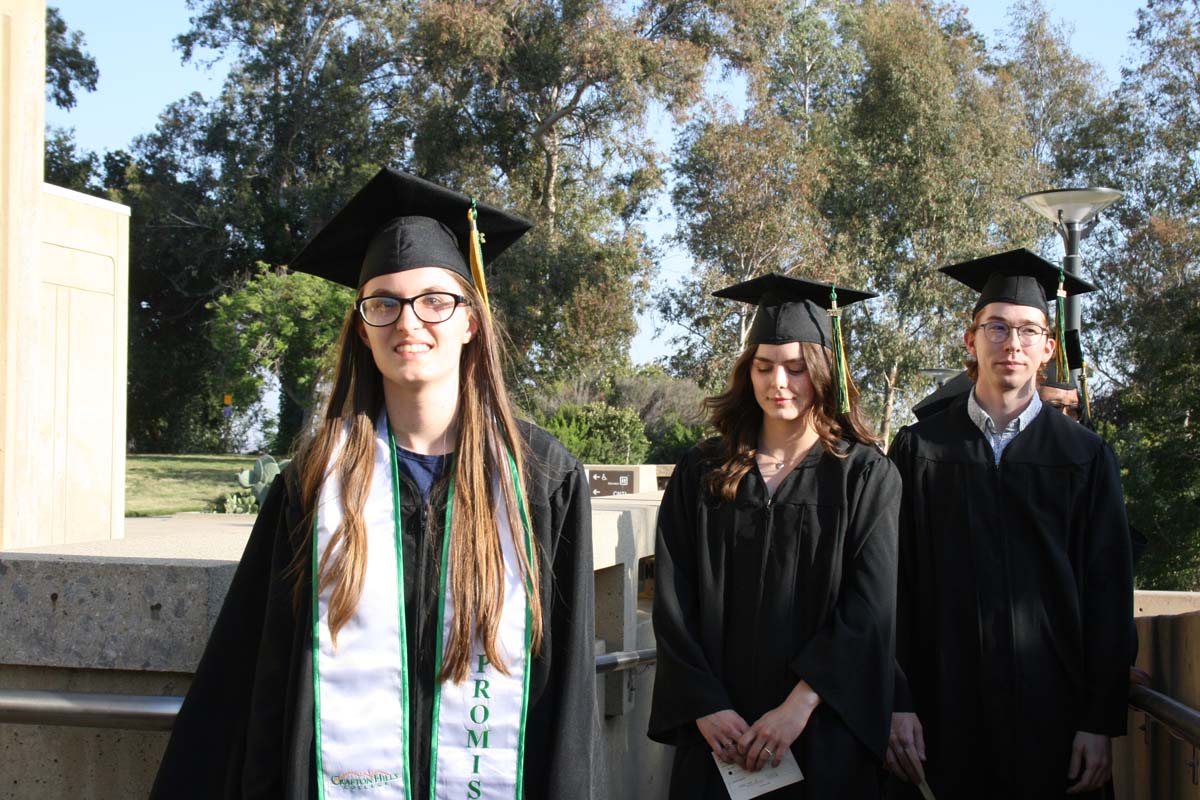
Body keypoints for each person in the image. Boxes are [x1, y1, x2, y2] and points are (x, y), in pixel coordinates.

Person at [150, 168, 598, 800]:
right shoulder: (316, 481)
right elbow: (257, 672)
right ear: (362, 327)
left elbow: (568, 689)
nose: (408, 322)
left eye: (435, 301)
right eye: (383, 303)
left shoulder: (541, 479)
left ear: (471, 321)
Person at [886, 248, 1133, 799]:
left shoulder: (1085, 455)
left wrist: (1100, 720)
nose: (1011, 343)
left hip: (1056, 714)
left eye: (1027, 330)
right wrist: (897, 701)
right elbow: (891, 586)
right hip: (941, 711)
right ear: (970, 340)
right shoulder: (920, 448)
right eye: (996, 327)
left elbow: (1108, 595)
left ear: (1048, 348)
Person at [649, 274, 902, 799]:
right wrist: (705, 704)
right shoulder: (704, 471)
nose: (778, 382)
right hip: (719, 734)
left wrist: (798, 707)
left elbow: (869, 607)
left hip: (821, 730)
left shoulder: (863, 475)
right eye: (764, 367)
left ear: (824, 373)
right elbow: (674, 597)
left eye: (795, 368)